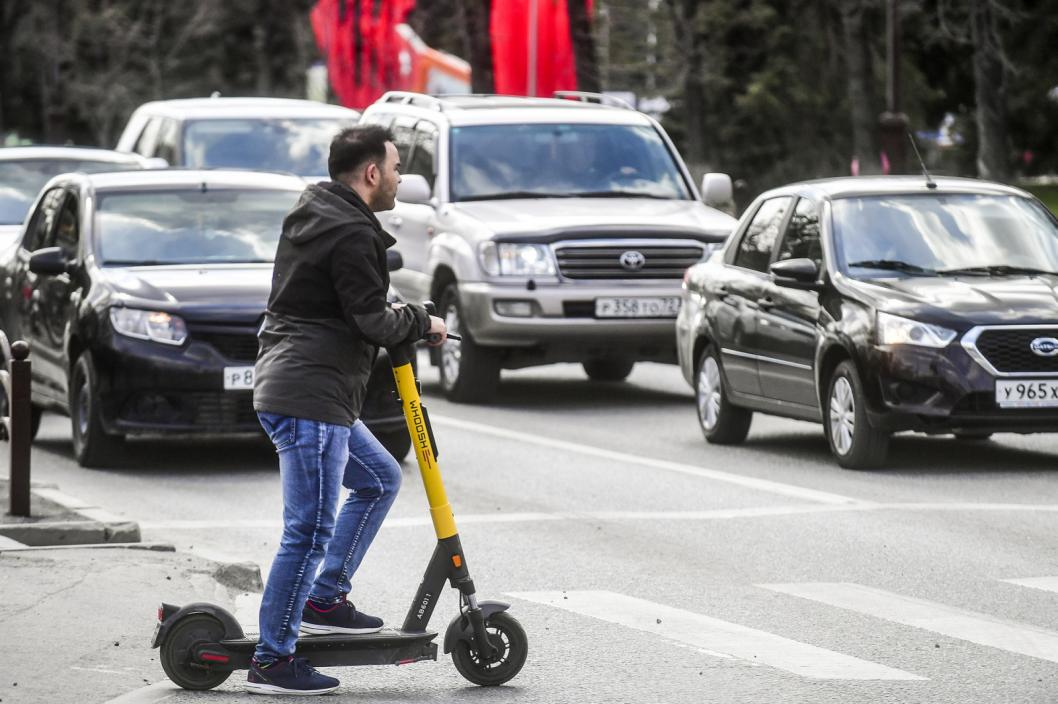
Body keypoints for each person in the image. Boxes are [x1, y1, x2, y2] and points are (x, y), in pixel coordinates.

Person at [248, 125, 446, 695]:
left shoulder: (320, 214)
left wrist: (409, 314)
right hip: (309, 393)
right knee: (308, 529)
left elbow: (357, 302)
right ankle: (273, 658)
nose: (401, 177)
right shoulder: (350, 233)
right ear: (371, 174)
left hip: (307, 387)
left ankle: (324, 596)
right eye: (397, 166)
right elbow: (372, 321)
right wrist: (423, 322)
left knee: (380, 478)